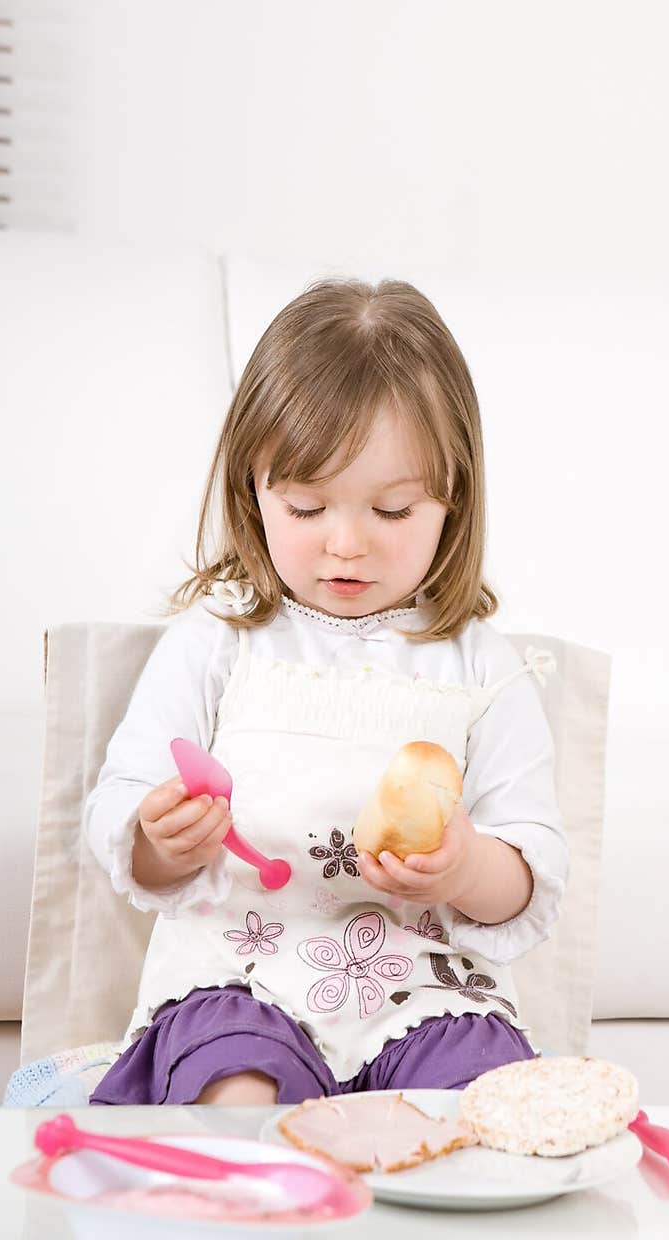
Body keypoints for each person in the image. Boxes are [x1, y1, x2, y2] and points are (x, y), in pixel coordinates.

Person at [85, 278, 569, 1108]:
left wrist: (466, 867)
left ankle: (419, 1219)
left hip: (427, 990)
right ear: (254, 490)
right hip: (240, 977)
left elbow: (533, 870)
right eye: (306, 506)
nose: (345, 545)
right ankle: (263, 1213)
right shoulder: (216, 642)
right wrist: (165, 839)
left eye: (392, 509)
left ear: (452, 504)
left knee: (485, 1108)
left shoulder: (484, 666)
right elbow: (121, 818)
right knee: (234, 1086)